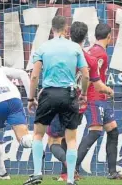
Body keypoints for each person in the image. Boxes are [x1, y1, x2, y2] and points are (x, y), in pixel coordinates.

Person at [24, 16, 89, 185]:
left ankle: (37, 174)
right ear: (66, 29)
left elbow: (35, 76)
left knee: (38, 134)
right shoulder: (75, 47)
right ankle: (71, 180)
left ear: (52, 29)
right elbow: (86, 74)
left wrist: (31, 98)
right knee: (71, 139)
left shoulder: (43, 48)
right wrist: (84, 93)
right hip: (69, 94)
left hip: (49, 94)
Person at [46, 21, 114, 182]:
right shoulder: (89, 58)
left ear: (69, 33)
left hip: (57, 98)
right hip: (77, 103)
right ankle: (68, 172)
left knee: (54, 141)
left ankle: (68, 167)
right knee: (70, 139)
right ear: (85, 38)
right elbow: (94, 82)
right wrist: (108, 91)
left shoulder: (60, 53)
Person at [75, 23, 122, 180]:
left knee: (113, 131)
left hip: (100, 98)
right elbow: (87, 74)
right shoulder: (100, 54)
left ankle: (113, 172)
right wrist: (96, 91)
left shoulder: (92, 50)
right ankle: (71, 168)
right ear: (109, 36)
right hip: (94, 98)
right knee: (95, 132)